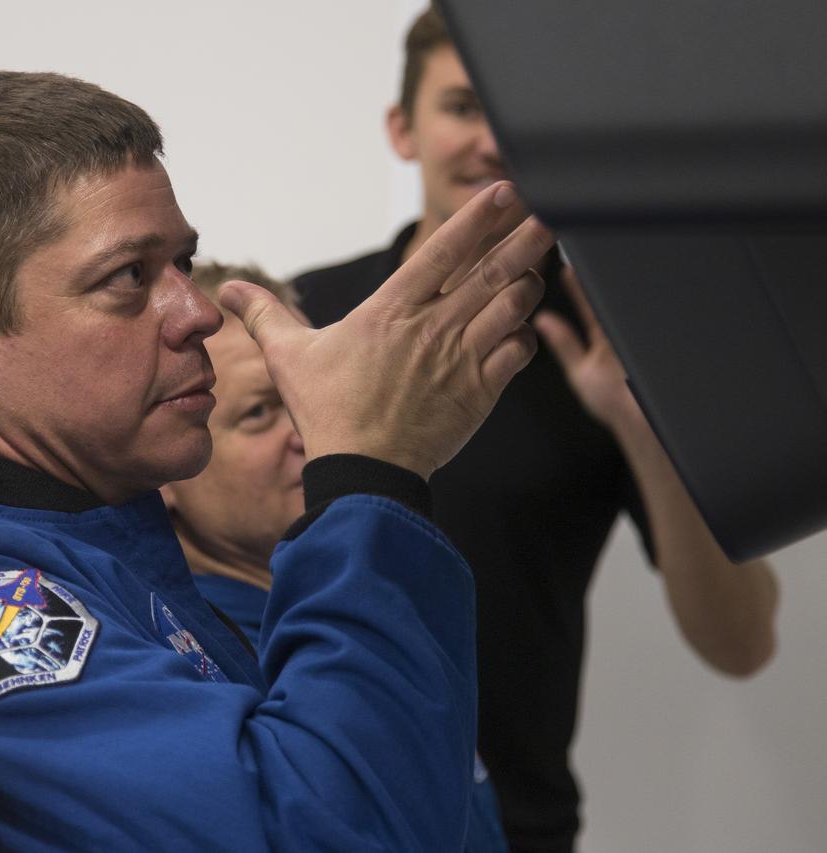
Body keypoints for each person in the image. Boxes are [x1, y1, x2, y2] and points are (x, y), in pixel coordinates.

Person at [0, 70, 554, 850]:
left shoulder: (105, 553)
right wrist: (369, 471)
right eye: (130, 277)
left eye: (183, 262)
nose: (198, 311)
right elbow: (332, 837)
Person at [294, 9, 780, 852]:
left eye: (513, 117)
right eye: (460, 108)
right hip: (312, 810)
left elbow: (743, 641)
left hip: (517, 828)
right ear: (403, 130)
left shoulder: (616, 347)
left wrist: (639, 421)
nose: (490, 142)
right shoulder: (312, 317)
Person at [164, 260, 508, 852]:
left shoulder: (383, 593)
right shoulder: (195, 671)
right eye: (259, 412)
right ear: (167, 466)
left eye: (311, 389)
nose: (311, 426)